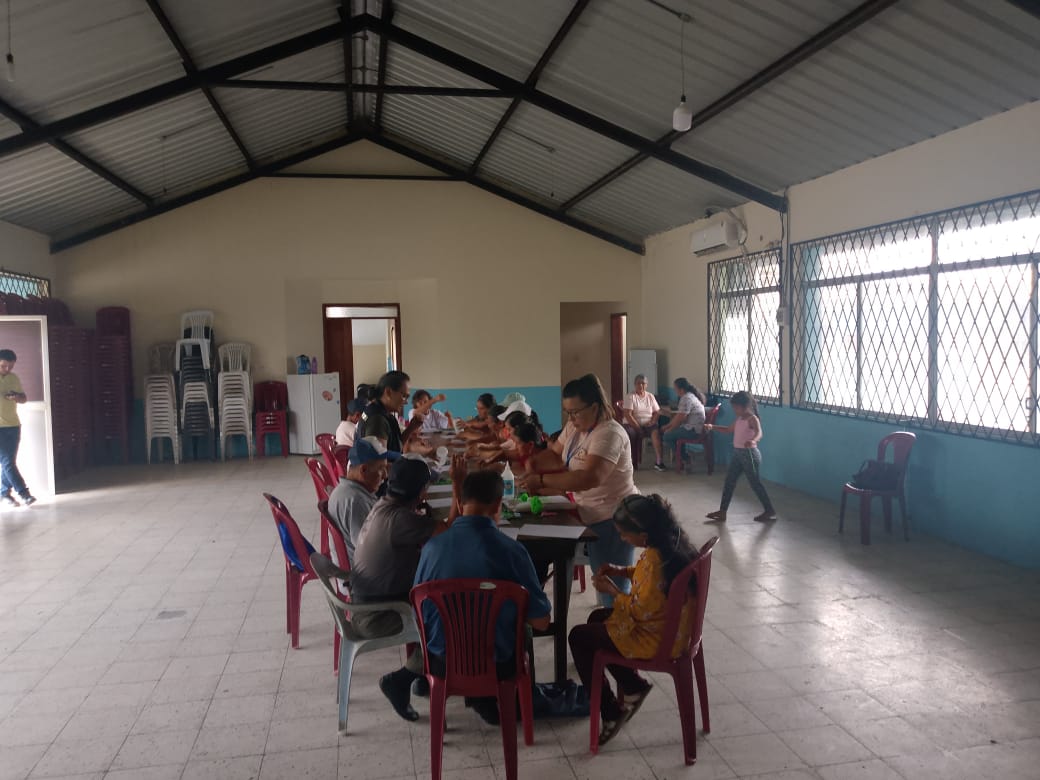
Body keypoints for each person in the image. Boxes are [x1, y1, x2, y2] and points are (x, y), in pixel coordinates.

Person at [413, 470, 552, 725]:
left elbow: (419, 612)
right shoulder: (512, 551)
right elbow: (542, 621)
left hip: (441, 662)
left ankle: (480, 700)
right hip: (497, 663)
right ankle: (513, 703)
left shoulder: (431, 548)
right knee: (522, 630)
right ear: (498, 505)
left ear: (459, 504)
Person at [569, 494, 700, 745]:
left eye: (624, 534)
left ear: (643, 535)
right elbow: (648, 580)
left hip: (658, 638)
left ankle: (610, 712)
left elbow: (639, 611)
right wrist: (620, 571)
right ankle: (633, 686)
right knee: (597, 618)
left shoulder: (655, 561)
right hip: (673, 627)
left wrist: (611, 590)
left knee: (578, 637)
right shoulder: (670, 543)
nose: (622, 539)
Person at [350, 453, 463, 721]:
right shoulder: (400, 519)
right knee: (452, 619)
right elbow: (450, 531)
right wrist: (458, 485)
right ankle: (402, 679)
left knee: (440, 600)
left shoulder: (384, 505)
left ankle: (425, 674)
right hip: (377, 616)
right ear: (421, 491)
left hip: (369, 601)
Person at [517, 373, 638, 607]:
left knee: (611, 587)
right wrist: (533, 463)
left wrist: (541, 480)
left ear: (594, 407)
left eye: (575, 412)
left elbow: (589, 478)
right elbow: (555, 455)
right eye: (568, 413)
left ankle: (618, 625)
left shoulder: (609, 433)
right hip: (585, 510)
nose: (571, 419)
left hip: (612, 516)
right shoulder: (576, 428)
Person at [704, 391, 777, 522]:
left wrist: (753, 440)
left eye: (736, 408)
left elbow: (759, 432)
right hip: (738, 454)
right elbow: (728, 430)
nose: (735, 410)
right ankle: (722, 511)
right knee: (729, 481)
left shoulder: (752, 419)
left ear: (745, 406)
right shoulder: (739, 419)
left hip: (750, 455)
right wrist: (712, 427)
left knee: (755, 484)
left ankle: (769, 511)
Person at [326, 436, 396, 567]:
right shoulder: (356, 502)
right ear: (363, 470)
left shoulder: (349, 490)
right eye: (381, 469)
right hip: (361, 574)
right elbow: (370, 552)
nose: (385, 475)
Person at [356, 371, 439, 455]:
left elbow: (395, 448)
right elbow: (380, 461)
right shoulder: (377, 420)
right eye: (404, 396)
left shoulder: (383, 413)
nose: (406, 402)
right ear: (388, 392)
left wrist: (411, 428)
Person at [0, 350, 35, 508]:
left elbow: (24, 399)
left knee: (8, 461)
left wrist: (16, 397)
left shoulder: (13, 378)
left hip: (13, 426)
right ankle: (24, 494)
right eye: (3, 366)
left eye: (11, 366)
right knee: (7, 462)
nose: (7, 369)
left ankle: (4, 494)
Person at [658, 378, 706, 472]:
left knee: (667, 436)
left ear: (681, 389)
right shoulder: (690, 396)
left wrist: (669, 429)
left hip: (693, 431)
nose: (675, 391)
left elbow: (681, 419)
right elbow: (678, 417)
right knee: (672, 433)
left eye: (675, 389)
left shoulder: (686, 398)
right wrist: (668, 426)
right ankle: (683, 458)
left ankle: (685, 458)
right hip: (693, 428)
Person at [622, 374, 664, 471]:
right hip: (632, 424)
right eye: (638, 383)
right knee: (631, 434)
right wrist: (638, 428)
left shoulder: (650, 396)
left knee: (656, 433)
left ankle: (659, 462)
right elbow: (628, 415)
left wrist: (652, 421)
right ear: (634, 384)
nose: (641, 385)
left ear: (647, 385)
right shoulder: (630, 396)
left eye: (643, 383)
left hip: (648, 424)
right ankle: (632, 462)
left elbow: (657, 412)